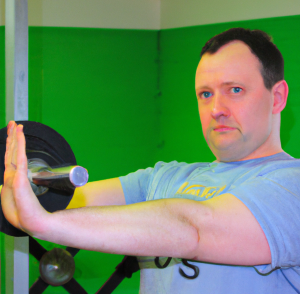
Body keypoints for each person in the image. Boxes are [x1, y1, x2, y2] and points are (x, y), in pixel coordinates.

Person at [2, 27, 300, 293]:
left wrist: (40, 223)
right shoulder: (164, 178)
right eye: (205, 94)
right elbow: (63, 202)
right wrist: (23, 189)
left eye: (235, 90)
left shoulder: (291, 186)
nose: (216, 109)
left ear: (277, 97)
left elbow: (194, 228)